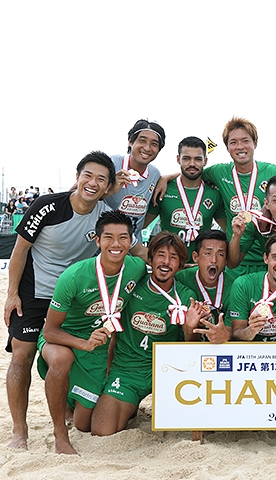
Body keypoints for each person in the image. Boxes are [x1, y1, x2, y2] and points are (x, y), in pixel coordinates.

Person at [3, 151, 116, 450]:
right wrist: (11, 293)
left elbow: (130, 247)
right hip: (33, 292)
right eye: (88, 175)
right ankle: (19, 431)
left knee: (68, 357)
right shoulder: (47, 205)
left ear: (107, 188)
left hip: (71, 298)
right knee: (21, 357)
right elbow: (20, 250)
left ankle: (64, 416)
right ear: (77, 177)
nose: (92, 183)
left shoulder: (103, 215)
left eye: (101, 179)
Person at [36, 211, 147, 454]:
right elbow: (50, 330)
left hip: (99, 345)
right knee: (62, 359)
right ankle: (60, 434)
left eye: (123, 238)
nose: (116, 244)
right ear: (97, 241)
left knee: (84, 424)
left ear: (131, 241)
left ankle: (69, 401)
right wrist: (82, 343)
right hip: (65, 337)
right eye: (108, 237)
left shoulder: (136, 267)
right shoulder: (74, 276)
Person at [155, 117, 276, 280]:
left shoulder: (271, 171)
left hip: (267, 260)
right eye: (233, 142)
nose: (240, 147)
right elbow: (192, 171)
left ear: (255, 143)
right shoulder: (219, 172)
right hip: (235, 262)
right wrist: (166, 178)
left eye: (245, 141)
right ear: (227, 147)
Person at [91, 232, 206, 436]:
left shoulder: (187, 296)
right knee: (102, 432)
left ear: (180, 265)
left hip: (165, 371)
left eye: (173, 257)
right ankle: (130, 405)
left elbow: (191, 349)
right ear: (150, 259)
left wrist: (190, 328)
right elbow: (113, 330)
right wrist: (108, 371)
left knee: (191, 428)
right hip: (127, 370)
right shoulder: (131, 285)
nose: (166, 262)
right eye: (160, 255)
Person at [145, 136, 225, 256]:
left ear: (205, 161)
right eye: (186, 158)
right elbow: (142, 225)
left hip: (199, 267)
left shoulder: (214, 194)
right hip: (170, 264)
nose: (192, 164)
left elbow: (228, 230)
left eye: (198, 159)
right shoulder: (163, 189)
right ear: (178, 159)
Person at [105, 119, 165, 241]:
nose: (147, 148)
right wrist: (110, 189)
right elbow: (81, 191)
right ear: (130, 142)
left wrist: (166, 178)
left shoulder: (155, 174)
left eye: (154, 144)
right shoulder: (112, 163)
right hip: (104, 242)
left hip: (133, 244)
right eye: (142, 141)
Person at [175, 229, 234, 343]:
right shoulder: (180, 279)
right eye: (208, 253)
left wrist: (225, 335)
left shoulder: (234, 287)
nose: (214, 260)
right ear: (195, 257)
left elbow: (231, 334)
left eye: (220, 254)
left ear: (226, 260)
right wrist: (192, 326)